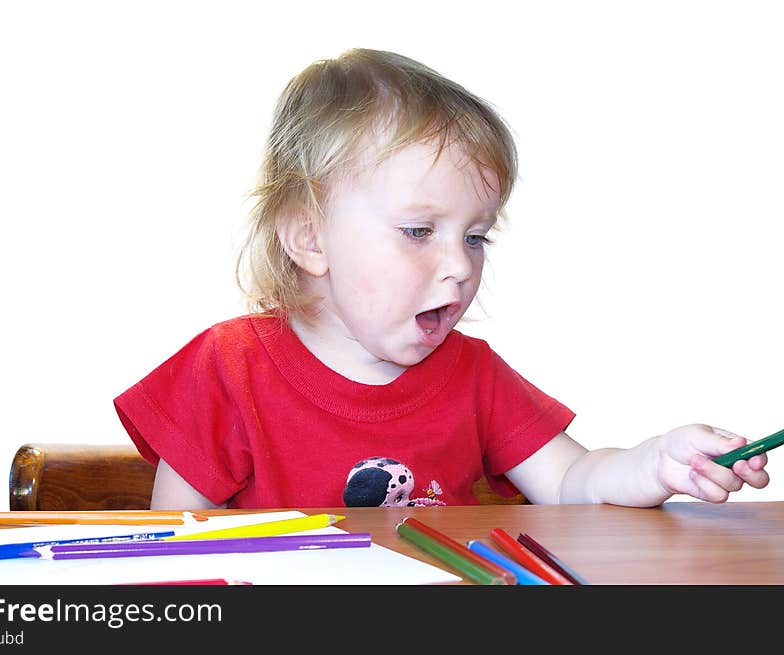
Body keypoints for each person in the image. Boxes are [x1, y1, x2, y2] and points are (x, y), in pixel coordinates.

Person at [113, 48, 770, 510]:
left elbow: (573, 482)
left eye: (476, 236)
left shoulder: (474, 375)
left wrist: (659, 460)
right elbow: (176, 550)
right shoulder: (229, 369)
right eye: (419, 231)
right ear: (309, 237)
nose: (461, 265)